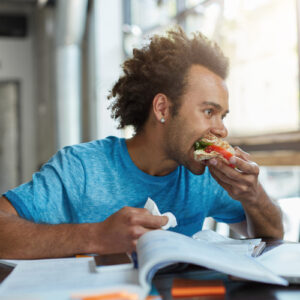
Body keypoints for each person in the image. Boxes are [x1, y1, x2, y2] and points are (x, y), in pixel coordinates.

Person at [0, 27, 283, 259]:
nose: (221, 129)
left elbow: (272, 234)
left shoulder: (205, 176)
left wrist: (253, 195)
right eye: (209, 112)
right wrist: (96, 236)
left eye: (223, 116)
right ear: (162, 108)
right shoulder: (81, 168)